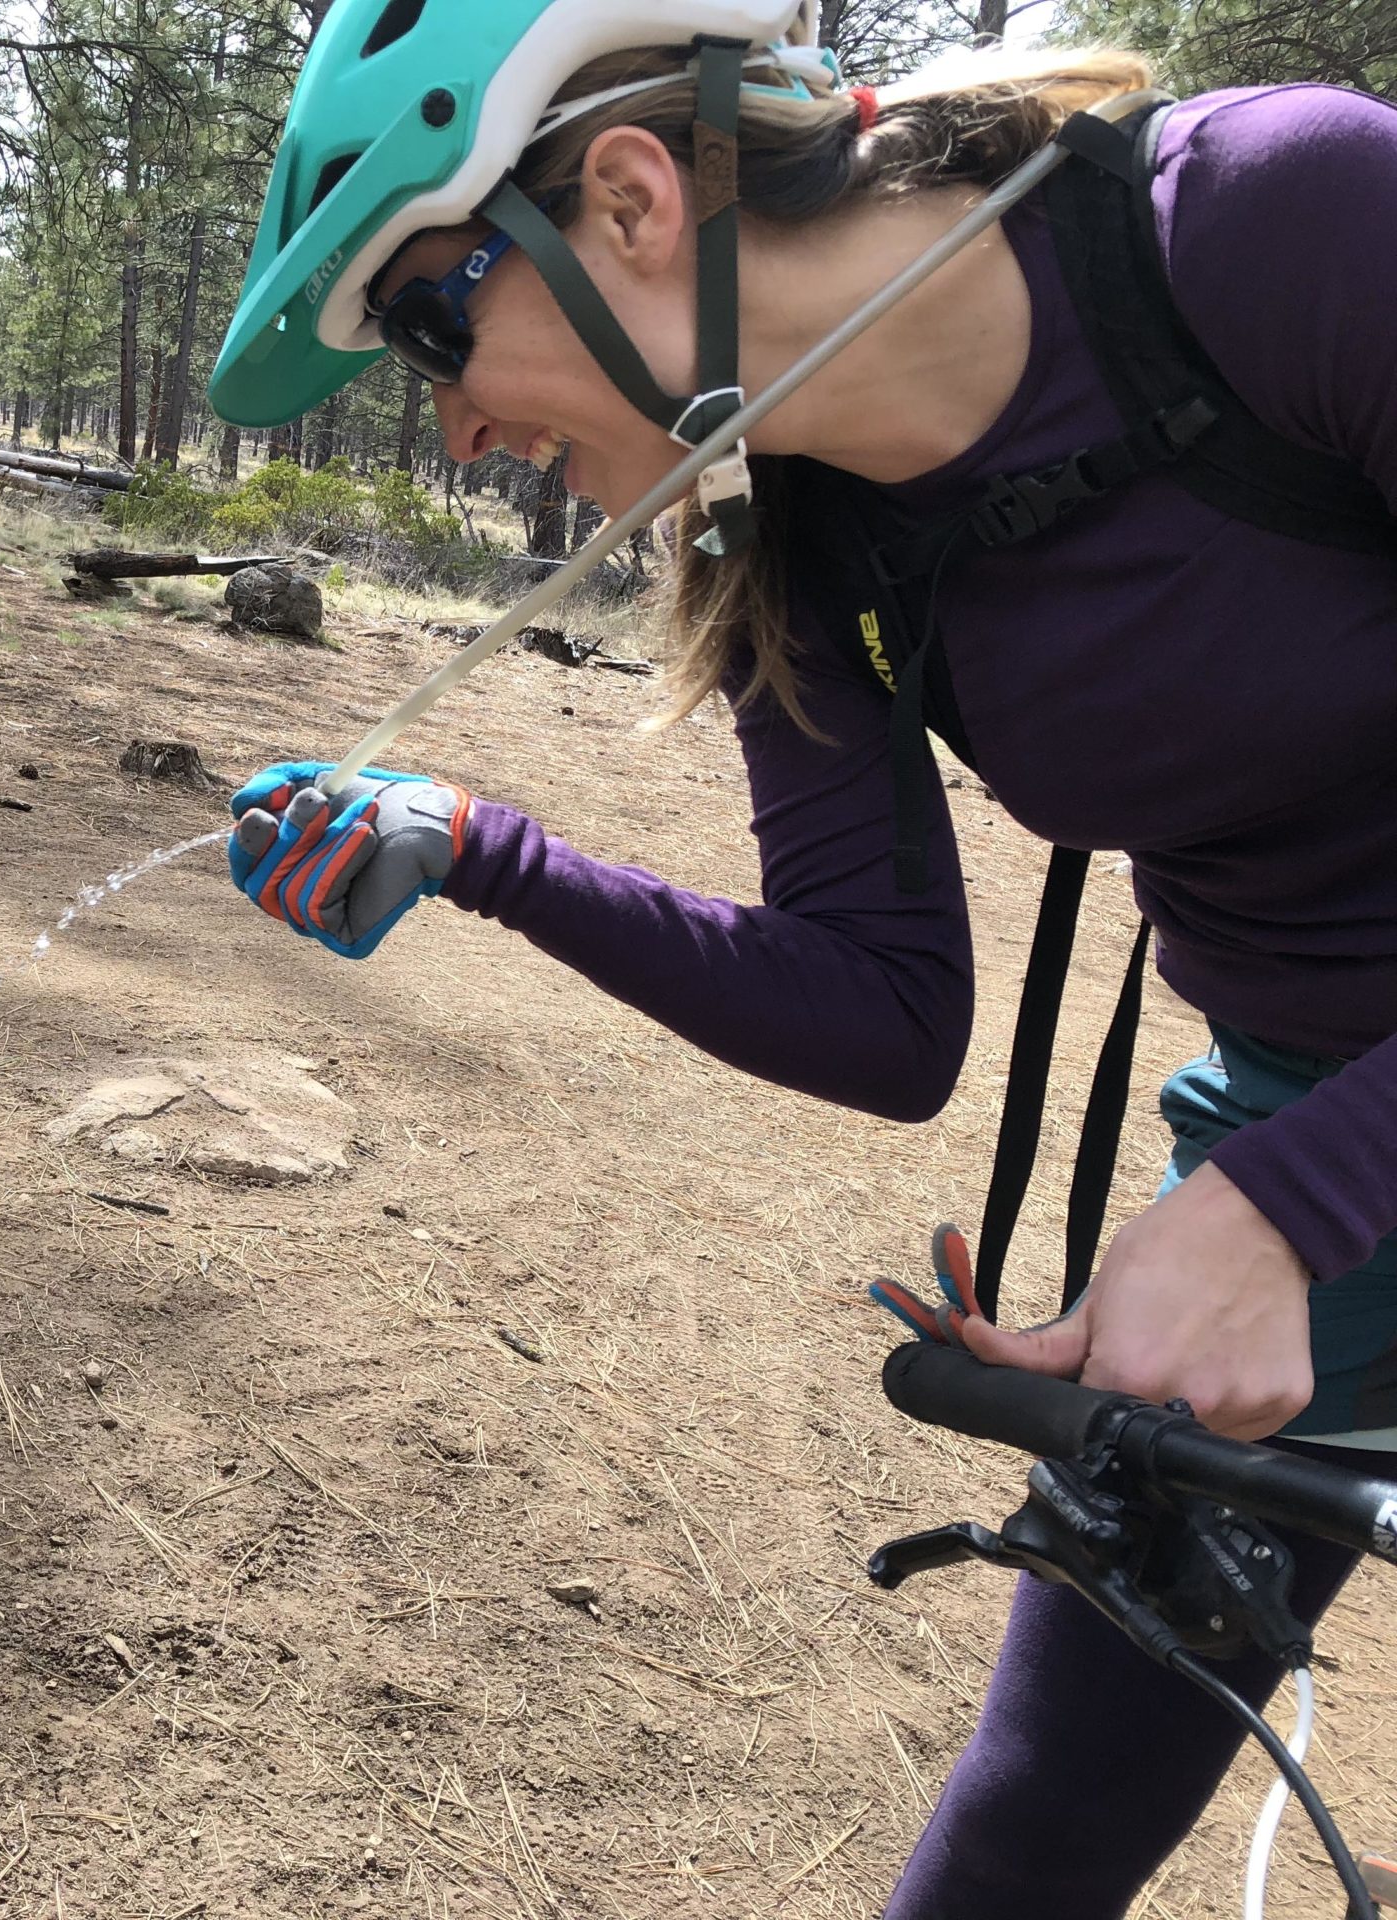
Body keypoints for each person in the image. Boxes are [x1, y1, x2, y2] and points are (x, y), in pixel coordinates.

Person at [206, 1, 1397, 1912]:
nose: (457, 422)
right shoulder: (791, 535)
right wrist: (483, 851)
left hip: (1309, 1179)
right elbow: (887, 1009)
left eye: (436, 323)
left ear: (632, 193)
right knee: (1030, 1839)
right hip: (1304, 1137)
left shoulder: (1275, 226)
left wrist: (1285, 1204)